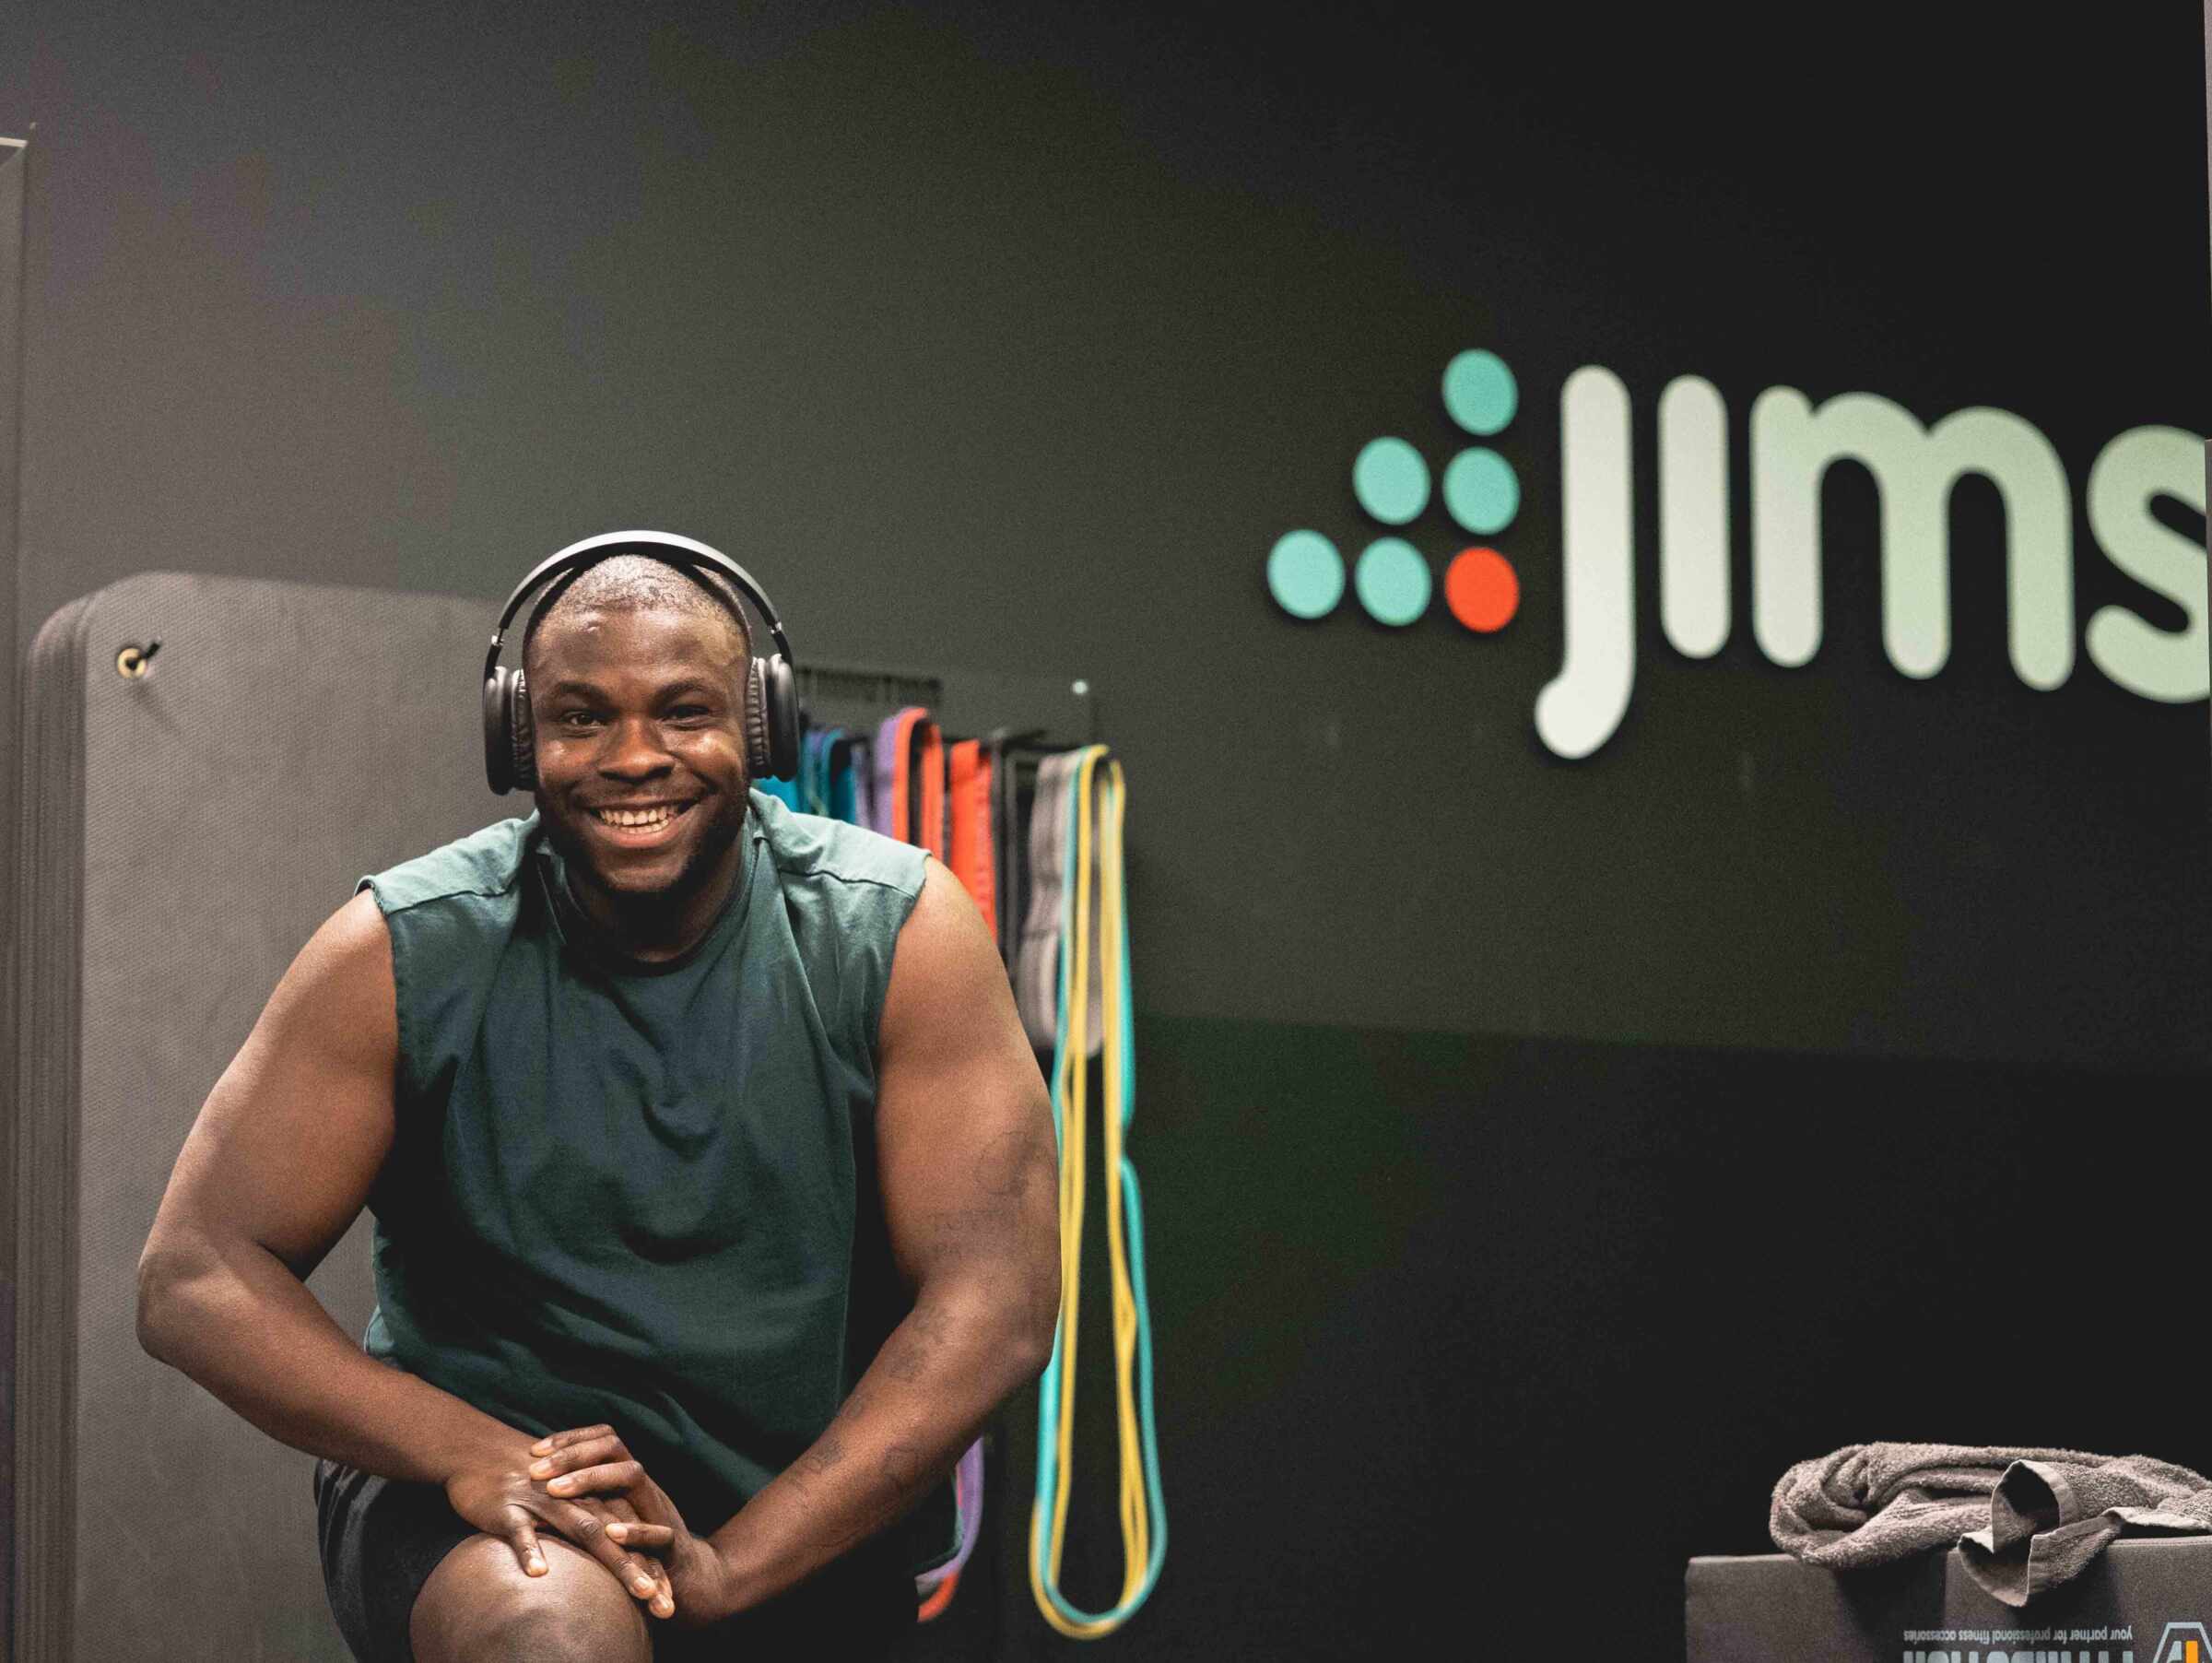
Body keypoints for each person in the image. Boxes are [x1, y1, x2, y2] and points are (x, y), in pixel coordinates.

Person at [135, 537, 1063, 1662]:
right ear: (519, 738)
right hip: (492, 1498)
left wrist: (734, 1565)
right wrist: (473, 1452)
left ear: (759, 725)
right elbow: (194, 1274)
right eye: (581, 718)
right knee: (555, 1633)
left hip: (799, 1508)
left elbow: (996, 1301)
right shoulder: (404, 949)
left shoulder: (897, 934)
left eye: (683, 711)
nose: (633, 757)